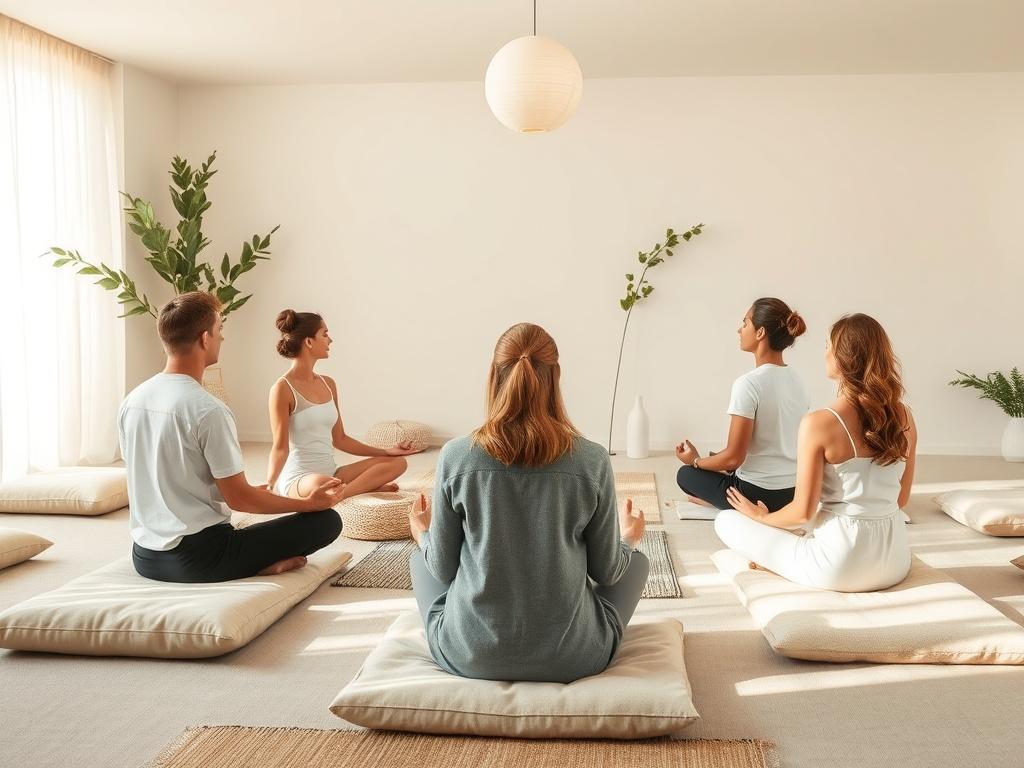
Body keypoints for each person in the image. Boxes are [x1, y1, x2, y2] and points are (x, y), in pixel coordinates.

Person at [406, 322, 649, 683]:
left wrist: (423, 534)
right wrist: (629, 539)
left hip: (471, 657)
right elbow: (607, 572)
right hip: (575, 658)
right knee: (638, 562)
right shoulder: (592, 459)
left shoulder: (456, 457)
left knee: (419, 559)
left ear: (493, 375)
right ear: (556, 377)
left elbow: (441, 570)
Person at [121, 292, 344, 583]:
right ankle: (253, 564)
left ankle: (255, 561)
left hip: (145, 557)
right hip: (200, 559)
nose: (222, 339)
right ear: (204, 339)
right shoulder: (208, 409)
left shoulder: (133, 399)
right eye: (219, 330)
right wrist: (309, 504)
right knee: (326, 521)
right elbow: (239, 500)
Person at [715, 313, 916, 592]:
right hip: (895, 561)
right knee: (807, 525)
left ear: (843, 358)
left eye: (827, 345)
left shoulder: (819, 422)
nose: (825, 353)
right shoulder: (904, 417)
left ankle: (778, 561)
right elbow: (901, 498)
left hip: (840, 567)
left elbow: (801, 512)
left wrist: (761, 518)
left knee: (725, 520)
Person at [266, 309, 419, 500]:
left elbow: (340, 439)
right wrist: (270, 485)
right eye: (325, 334)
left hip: (333, 473)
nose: (330, 340)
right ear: (309, 342)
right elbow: (280, 448)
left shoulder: (328, 384)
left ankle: (342, 493)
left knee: (398, 463)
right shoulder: (282, 388)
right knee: (322, 484)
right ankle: (357, 488)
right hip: (301, 478)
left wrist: (387, 452)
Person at [676, 297, 809, 512]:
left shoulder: (748, 384)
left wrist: (695, 461)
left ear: (760, 333)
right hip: (792, 493)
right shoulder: (798, 380)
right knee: (716, 462)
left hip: (756, 494)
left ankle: (725, 505)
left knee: (685, 475)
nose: (740, 330)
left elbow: (733, 459)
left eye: (745, 323)